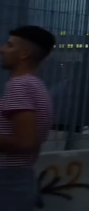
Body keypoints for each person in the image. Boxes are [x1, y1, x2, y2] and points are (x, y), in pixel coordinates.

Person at [0, 26, 55, 211]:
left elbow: (25, 142)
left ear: (24, 54)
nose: (2, 49)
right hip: (19, 177)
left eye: (9, 45)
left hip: (8, 179)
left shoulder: (20, 86)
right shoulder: (35, 85)